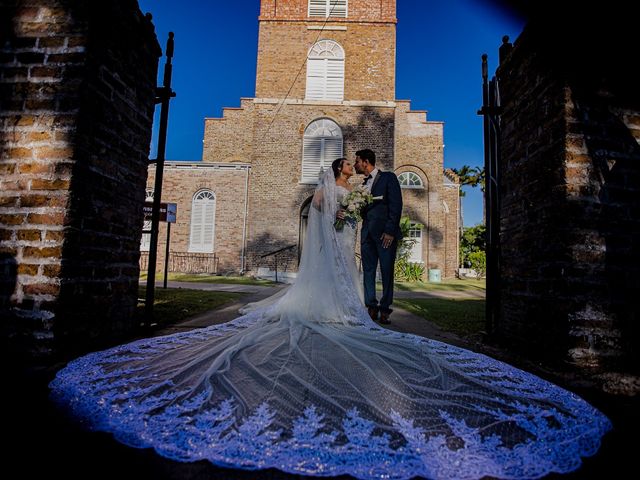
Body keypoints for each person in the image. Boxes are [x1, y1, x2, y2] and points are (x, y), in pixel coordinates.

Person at [50, 164, 611, 480]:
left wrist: (350, 213)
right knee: (336, 291)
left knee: (347, 284)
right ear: (338, 173)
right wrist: (341, 211)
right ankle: (345, 310)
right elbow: (326, 212)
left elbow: (343, 212)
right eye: (344, 170)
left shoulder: (362, 187)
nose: (348, 172)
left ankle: (352, 309)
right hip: (339, 243)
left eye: (350, 169)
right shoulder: (332, 192)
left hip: (345, 244)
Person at [352, 149, 402, 324]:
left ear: (366, 162)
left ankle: (385, 309)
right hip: (367, 234)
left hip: (385, 234)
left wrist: (390, 231)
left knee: (387, 271)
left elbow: (396, 205)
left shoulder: (388, 177)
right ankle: (371, 307)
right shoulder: (363, 185)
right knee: (368, 270)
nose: (355, 165)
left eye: (357, 161)